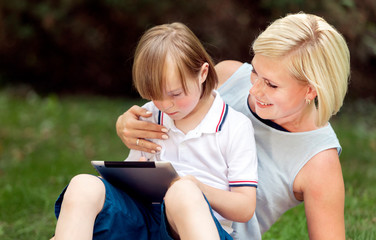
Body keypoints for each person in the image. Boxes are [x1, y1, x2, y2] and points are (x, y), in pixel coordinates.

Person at [116, 13, 350, 240]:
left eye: (271, 85)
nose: (254, 89)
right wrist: (126, 124)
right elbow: (171, 102)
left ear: (311, 90)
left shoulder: (320, 163)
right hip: (155, 219)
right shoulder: (229, 76)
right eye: (255, 72)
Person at [51, 22, 258, 240]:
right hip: (144, 221)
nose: (165, 105)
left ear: (203, 73)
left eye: (176, 94)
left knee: (183, 193)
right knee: (82, 185)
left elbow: (244, 208)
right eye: (154, 96)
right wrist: (135, 174)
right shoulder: (150, 116)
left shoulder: (234, 126)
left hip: (196, 229)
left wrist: (193, 185)